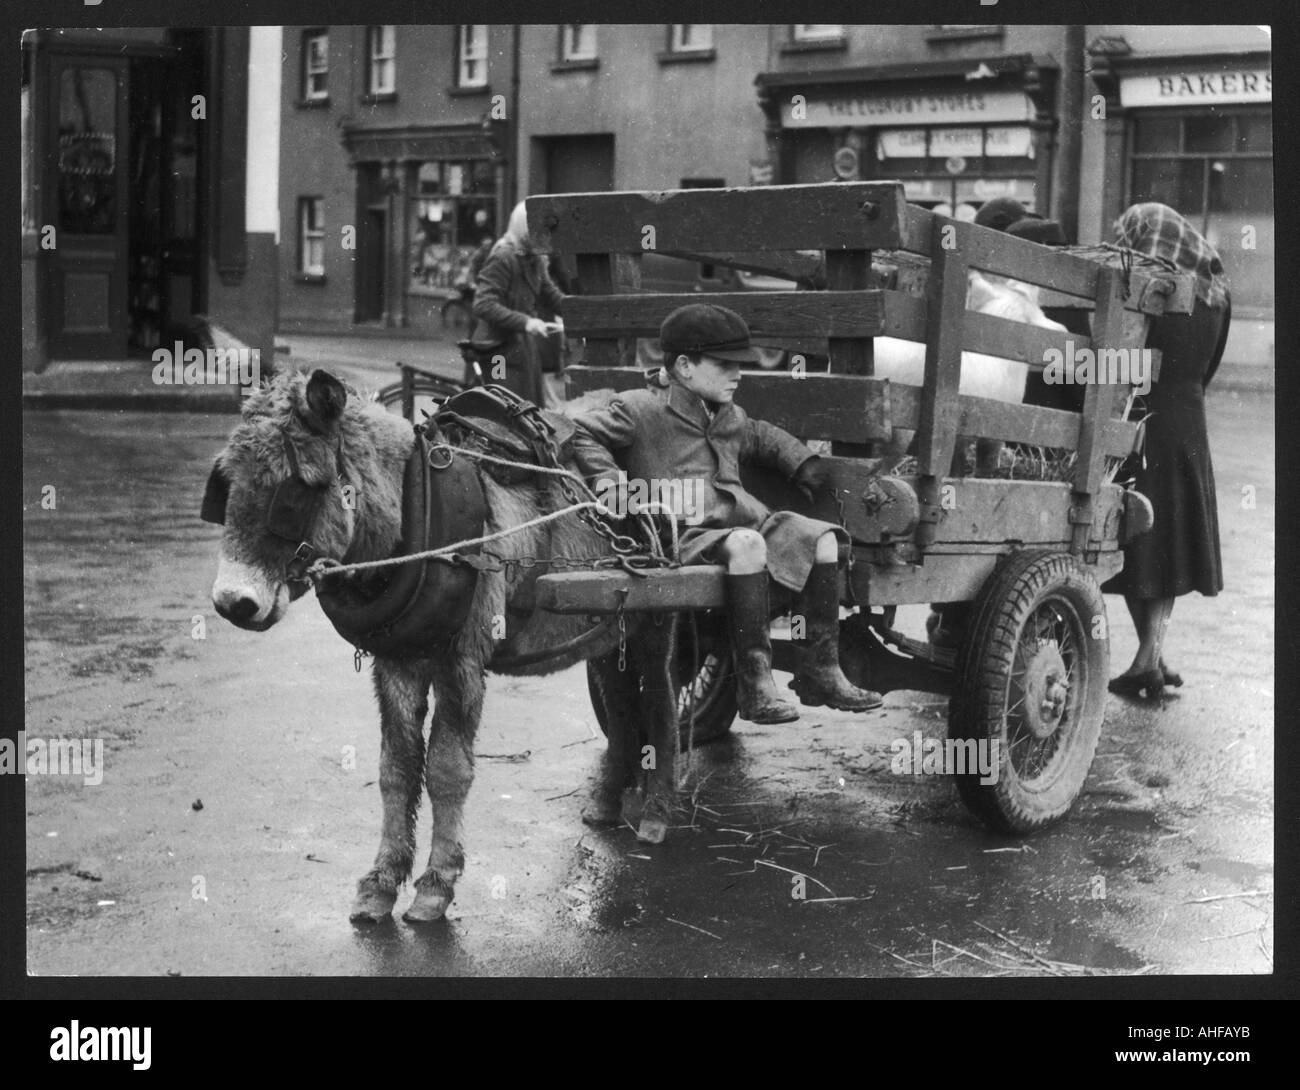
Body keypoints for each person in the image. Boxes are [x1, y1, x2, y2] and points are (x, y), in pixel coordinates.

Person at [570, 303, 883, 723]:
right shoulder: (639, 409)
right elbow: (581, 432)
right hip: (684, 534)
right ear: (684, 365)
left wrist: (802, 461)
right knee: (749, 543)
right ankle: (754, 684)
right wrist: (610, 482)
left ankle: (820, 669)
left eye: (740, 365)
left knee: (823, 539)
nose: (738, 374)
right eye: (724, 364)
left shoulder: (729, 414)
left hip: (743, 524)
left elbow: (761, 437)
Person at [1101, 202, 1231, 700]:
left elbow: (1121, 352)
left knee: (1143, 542)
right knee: (1169, 543)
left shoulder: (1148, 283)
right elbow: (1211, 365)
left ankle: (1147, 659)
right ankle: (1151, 655)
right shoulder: (1216, 289)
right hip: (1188, 423)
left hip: (1145, 420)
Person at [471, 201, 567, 407]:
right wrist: (526, 322)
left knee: (528, 414)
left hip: (522, 349)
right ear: (526, 229)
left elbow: (550, 294)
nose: (546, 238)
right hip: (498, 351)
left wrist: (580, 314)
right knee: (505, 412)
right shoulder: (503, 257)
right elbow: (483, 304)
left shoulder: (535, 259)